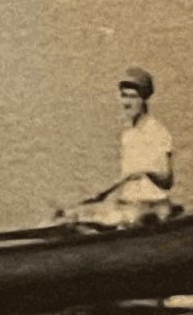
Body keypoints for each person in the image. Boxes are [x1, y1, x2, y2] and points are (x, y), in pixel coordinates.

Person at [58, 66, 175, 227]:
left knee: (79, 218)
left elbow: (167, 179)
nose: (126, 102)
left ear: (144, 100)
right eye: (124, 96)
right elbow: (127, 184)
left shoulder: (156, 131)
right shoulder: (127, 135)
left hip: (150, 208)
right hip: (128, 205)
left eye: (133, 97)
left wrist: (146, 171)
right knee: (68, 214)